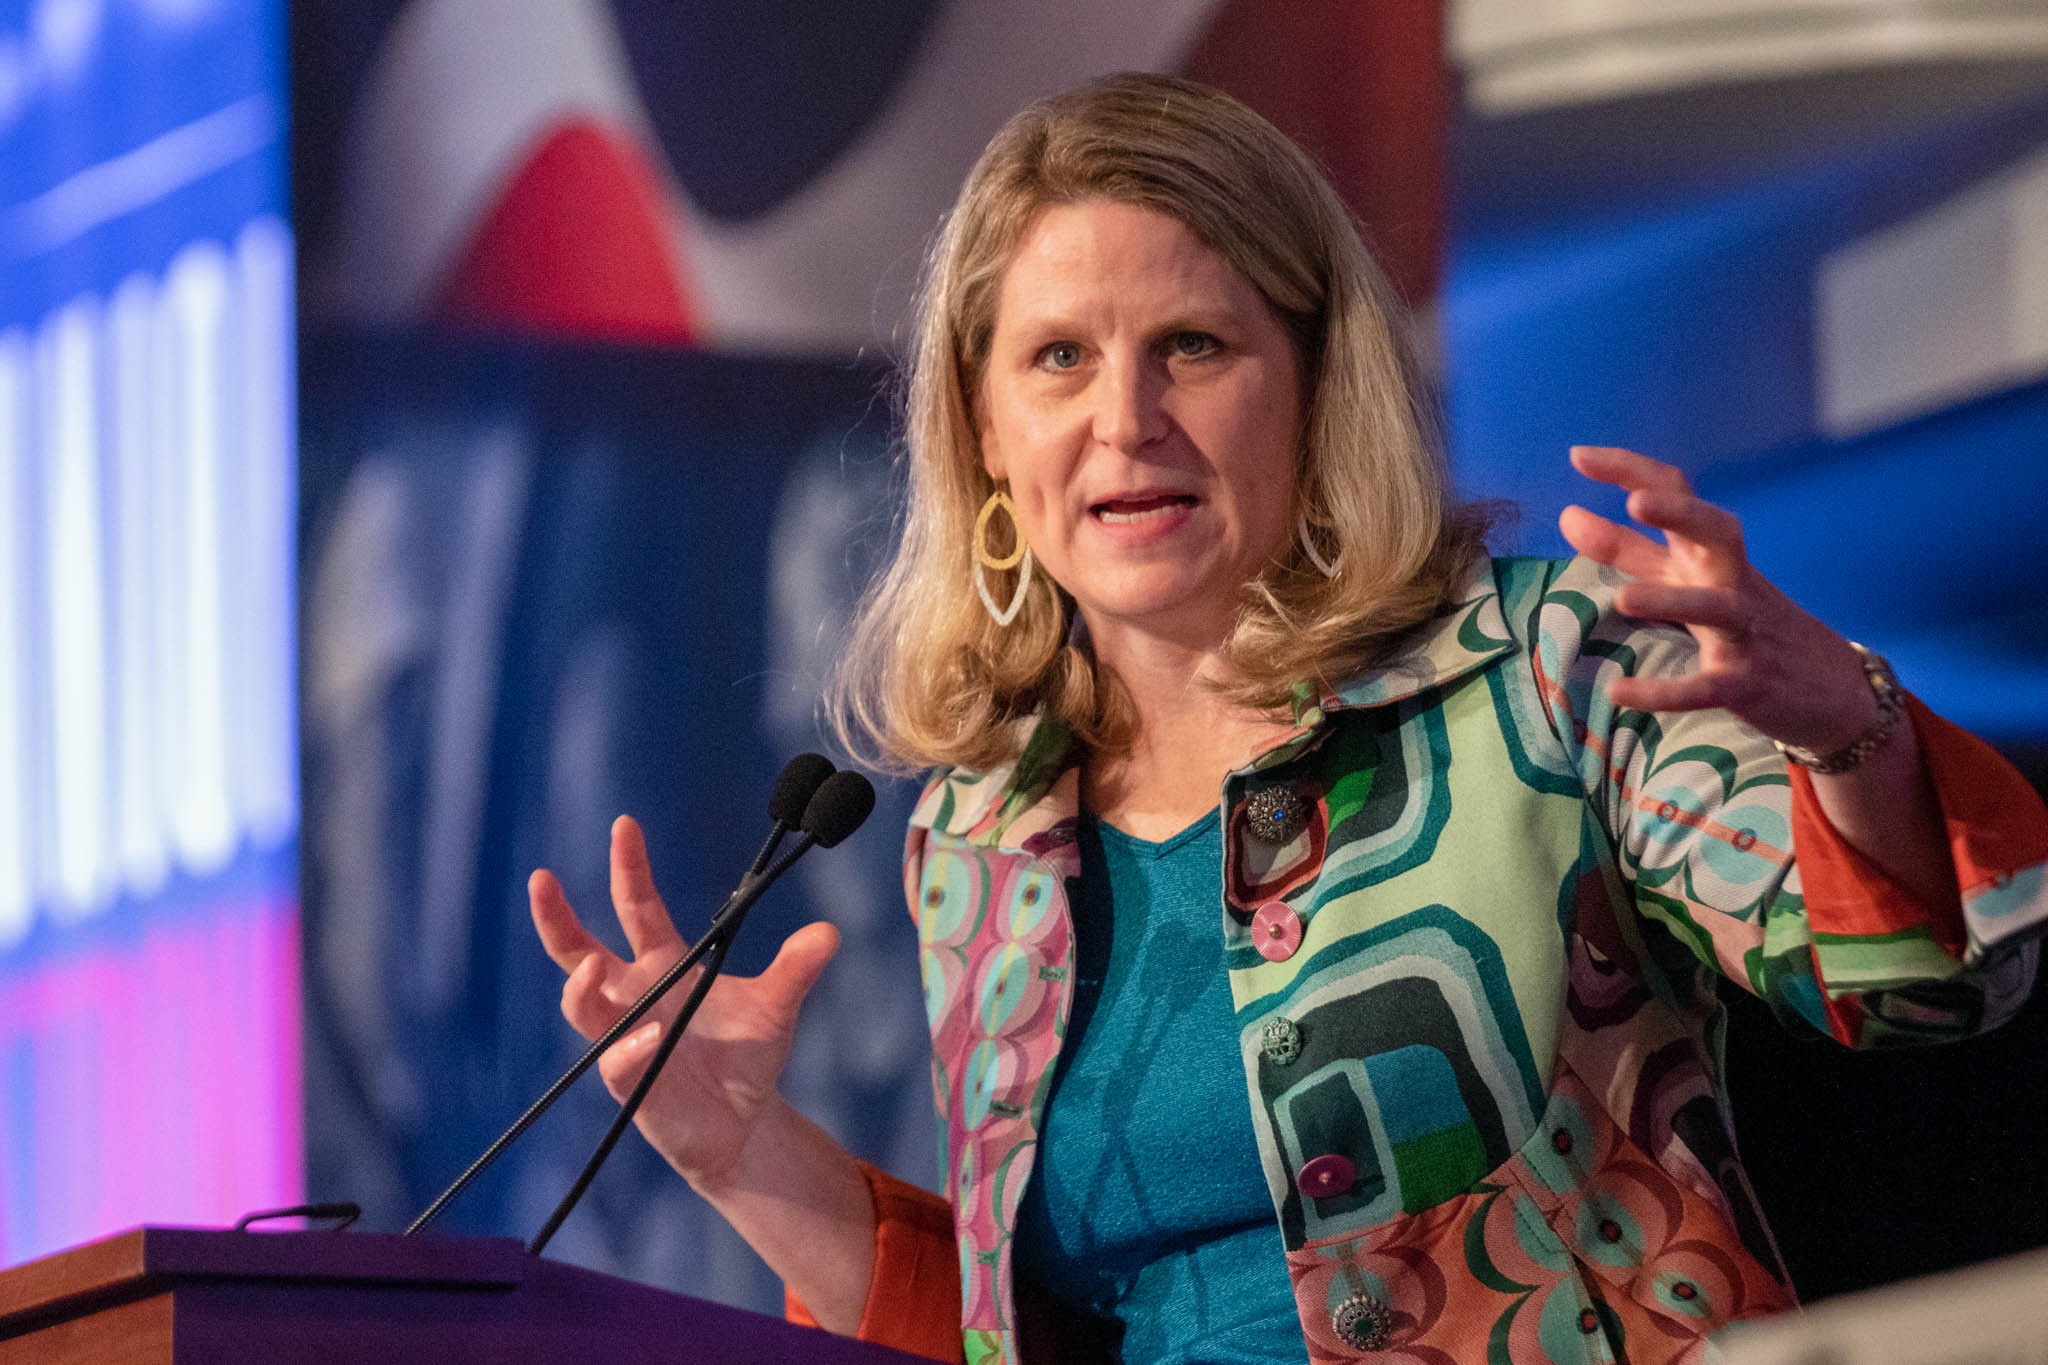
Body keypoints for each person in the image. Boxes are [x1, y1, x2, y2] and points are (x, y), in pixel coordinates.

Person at [527, 73, 2048, 1364]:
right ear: (984, 429)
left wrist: (1849, 733)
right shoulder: (979, 834)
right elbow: (1027, 1334)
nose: (1125, 419)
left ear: (1315, 385)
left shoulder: (1544, 664)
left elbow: (1926, 984)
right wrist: (742, 1148)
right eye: (1059, 358)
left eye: (1193, 345)